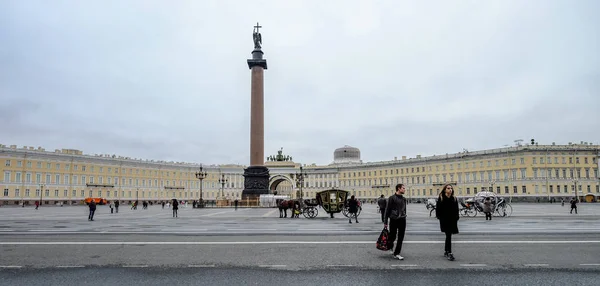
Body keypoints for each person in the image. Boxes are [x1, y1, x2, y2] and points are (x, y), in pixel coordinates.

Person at [436, 184, 459, 261]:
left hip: (452, 220)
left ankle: (446, 251)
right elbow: (438, 209)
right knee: (448, 235)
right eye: (448, 188)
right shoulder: (441, 198)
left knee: (448, 236)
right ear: (445, 189)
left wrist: (457, 218)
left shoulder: (454, 198)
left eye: (451, 188)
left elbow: (457, 209)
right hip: (445, 220)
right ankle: (450, 253)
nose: (450, 190)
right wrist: (440, 218)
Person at [384, 184, 407, 260]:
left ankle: (397, 253)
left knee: (401, 237)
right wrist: (385, 222)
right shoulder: (391, 198)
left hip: (402, 219)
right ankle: (390, 246)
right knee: (392, 236)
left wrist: (404, 215)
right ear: (398, 189)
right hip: (394, 219)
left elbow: (404, 209)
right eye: (403, 188)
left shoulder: (404, 199)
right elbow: (387, 210)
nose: (404, 189)